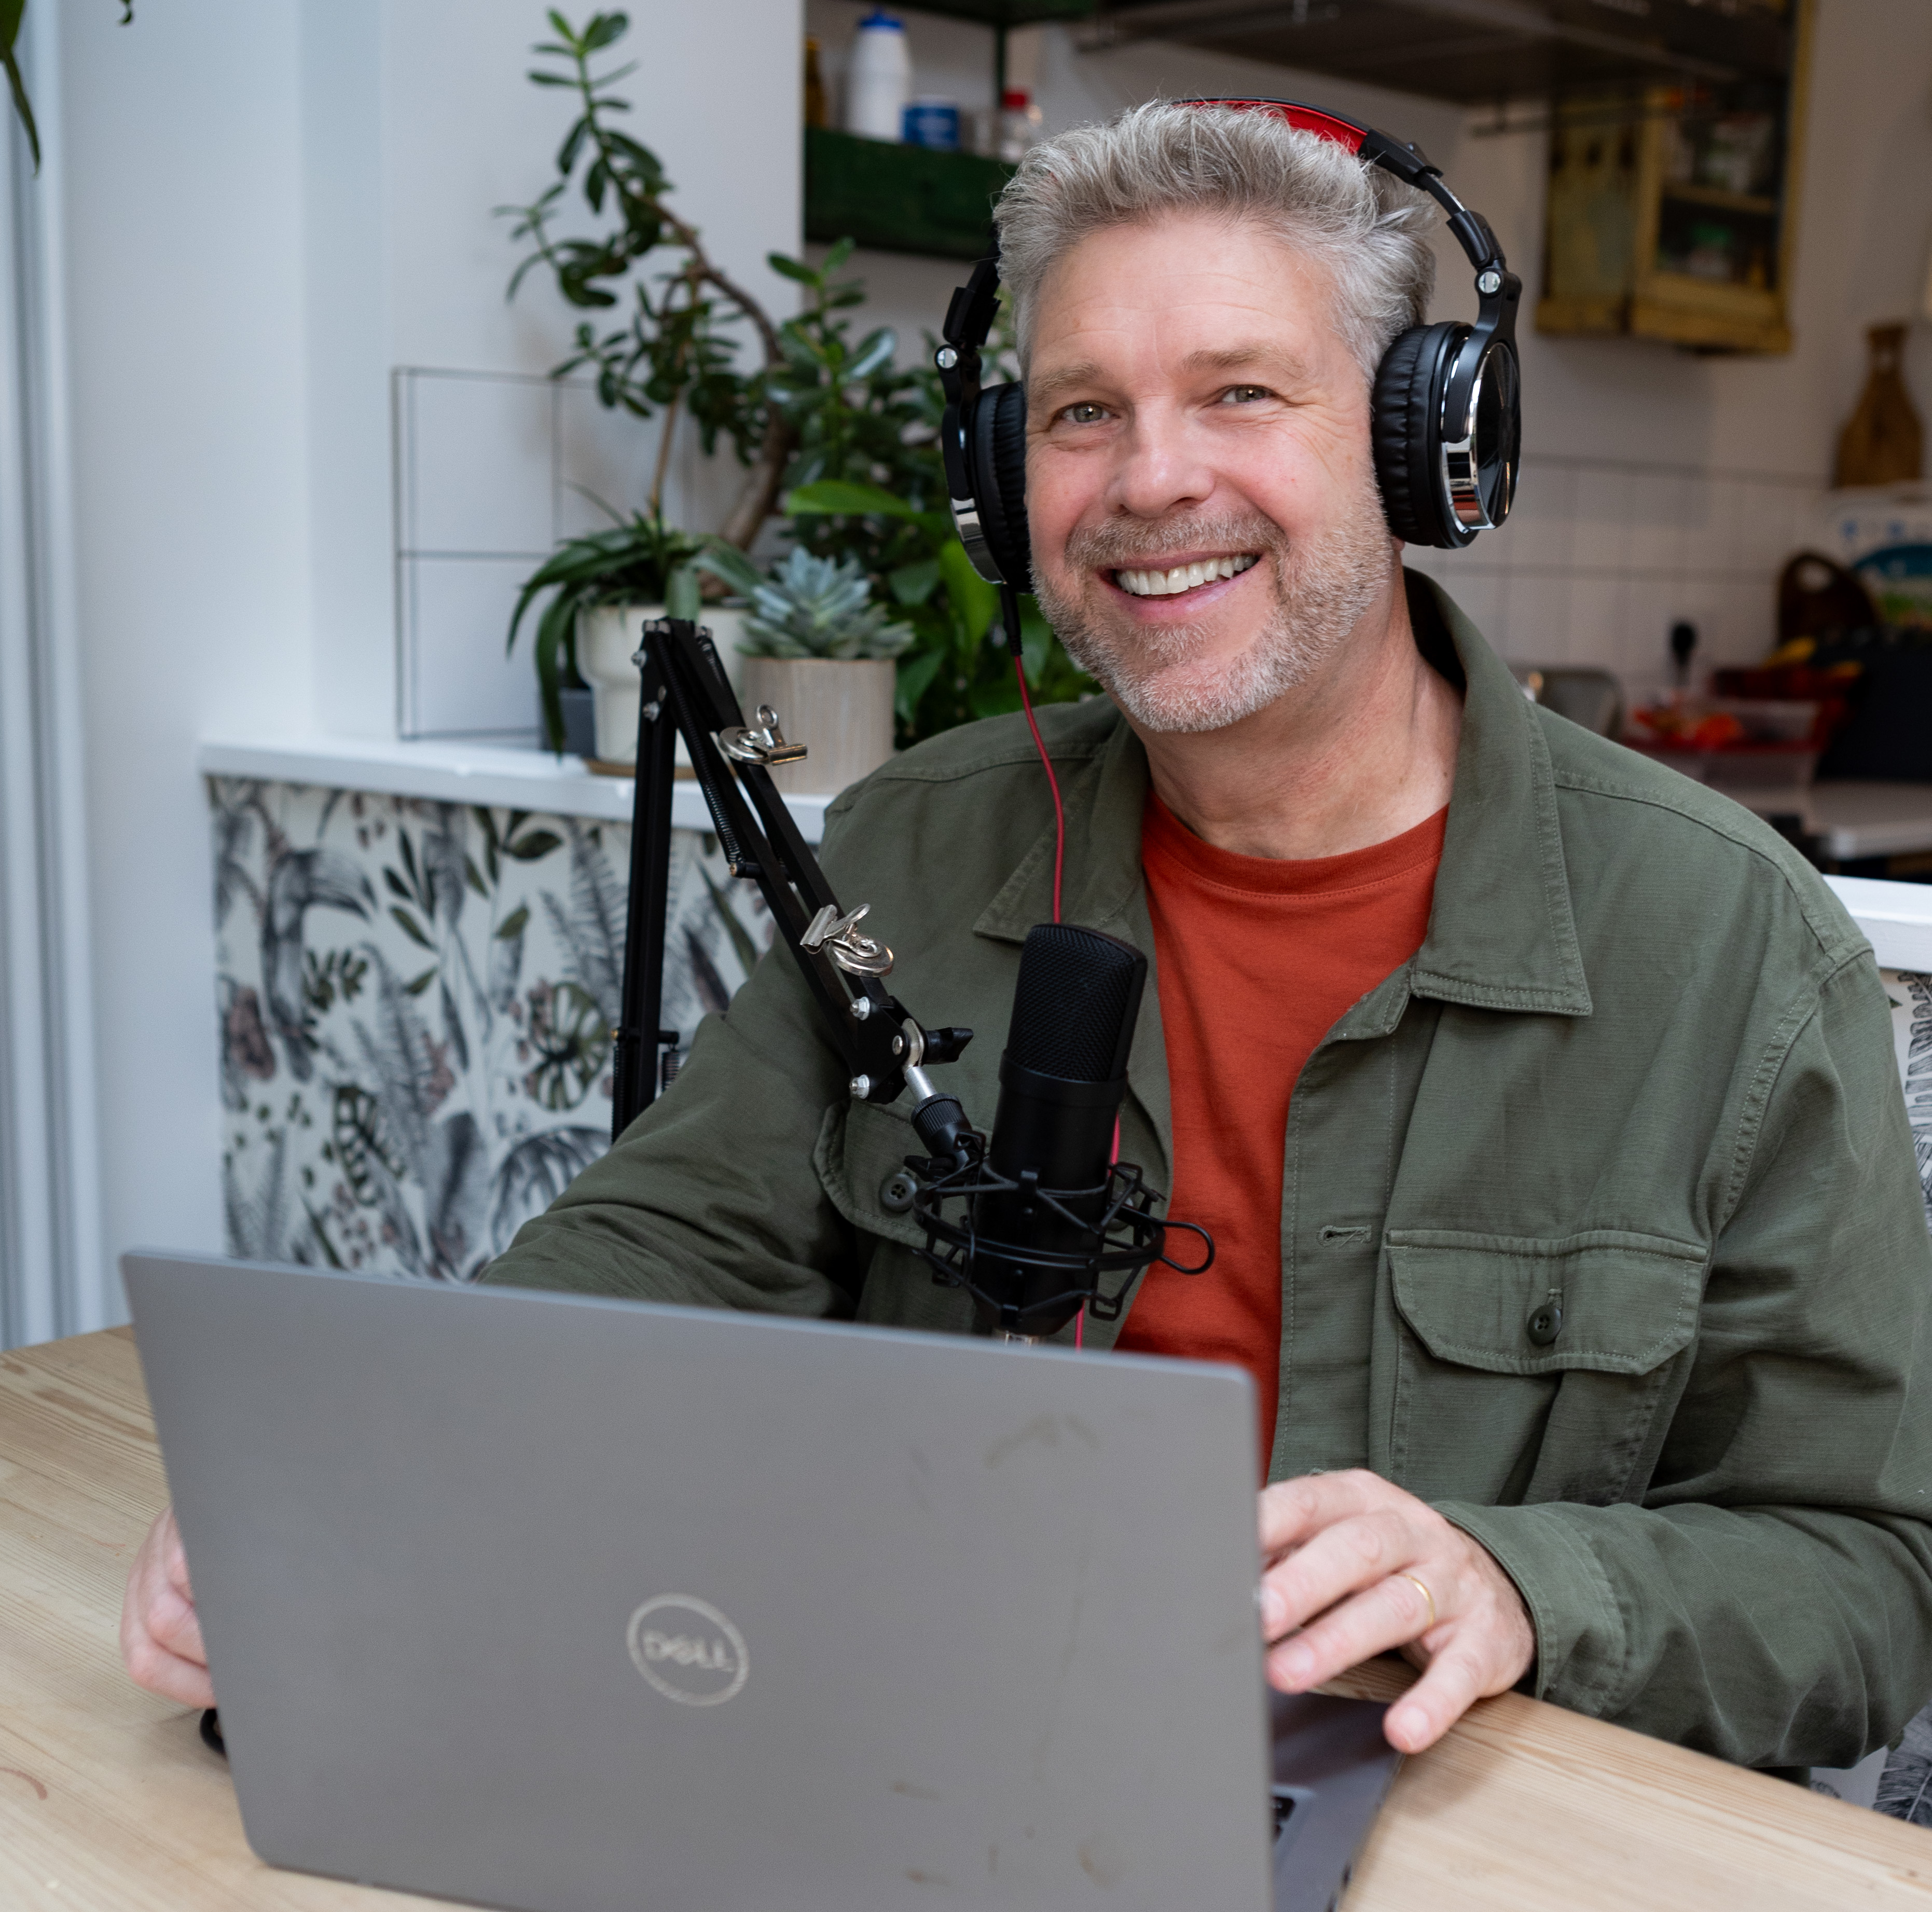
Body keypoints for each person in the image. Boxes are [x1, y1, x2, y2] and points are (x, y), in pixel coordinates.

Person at [126, 102, 1932, 1777]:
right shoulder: (924, 837)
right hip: (939, 1747)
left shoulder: (1725, 943)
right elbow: (670, 1241)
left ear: (1419, 443)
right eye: (1080, 412)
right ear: (1006, 481)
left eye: (1239, 393)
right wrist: (366, 1466)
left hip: (1428, 1842)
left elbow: (1866, 1578)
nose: (1150, 480)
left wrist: (1520, 1585)